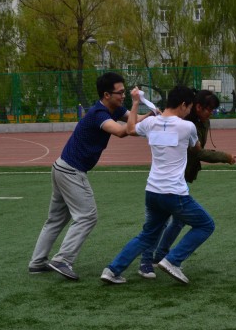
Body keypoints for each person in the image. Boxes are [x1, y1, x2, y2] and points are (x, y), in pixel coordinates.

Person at [28, 72, 152, 281]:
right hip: (71, 170)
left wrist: (152, 114)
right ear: (106, 95)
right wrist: (135, 103)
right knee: (87, 216)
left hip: (61, 167)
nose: (123, 95)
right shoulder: (98, 113)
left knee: (56, 219)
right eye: (120, 92)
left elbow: (135, 120)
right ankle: (62, 259)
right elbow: (123, 131)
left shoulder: (114, 108)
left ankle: (37, 262)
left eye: (124, 92)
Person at [100, 85, 215, 285]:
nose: (189, 111)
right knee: (206, 225)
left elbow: (130, 129)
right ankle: (173, 260)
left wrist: (135, 103)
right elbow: (196, 147)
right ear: (183, 105)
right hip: (174, 192)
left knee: (147, 236)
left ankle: (112, 270)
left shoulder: (151, 123)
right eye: (189, 108)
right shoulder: (188, 127)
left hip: (152, 191)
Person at [137, 90, 236, 279]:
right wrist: (225, 157)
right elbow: (197, 152)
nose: (211, 113)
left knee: (178, 220)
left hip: (180, 177)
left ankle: (160, 256)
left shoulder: (200, 121)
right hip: (166, 180)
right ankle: (146, 261)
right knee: (159, 222)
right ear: (197, 107)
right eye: (209, 109)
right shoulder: (185, 123)